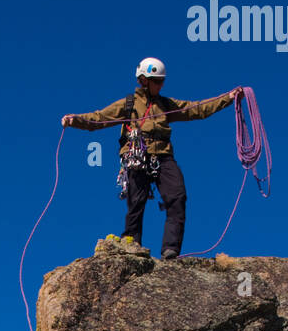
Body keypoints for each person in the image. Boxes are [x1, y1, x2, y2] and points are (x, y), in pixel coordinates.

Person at [62, 58, 243, 258]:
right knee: (136, 201)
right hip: (137, 155)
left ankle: (170, 249)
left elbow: (197, 109)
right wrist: (75, 120)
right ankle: (131, 243)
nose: (160, 85)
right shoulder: (129, 104)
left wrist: (229, 97)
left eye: (161, 81)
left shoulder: (166, 104)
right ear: (144, 80)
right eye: (156, 81)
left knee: (177, 196)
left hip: (163, 155)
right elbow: (99, 118)